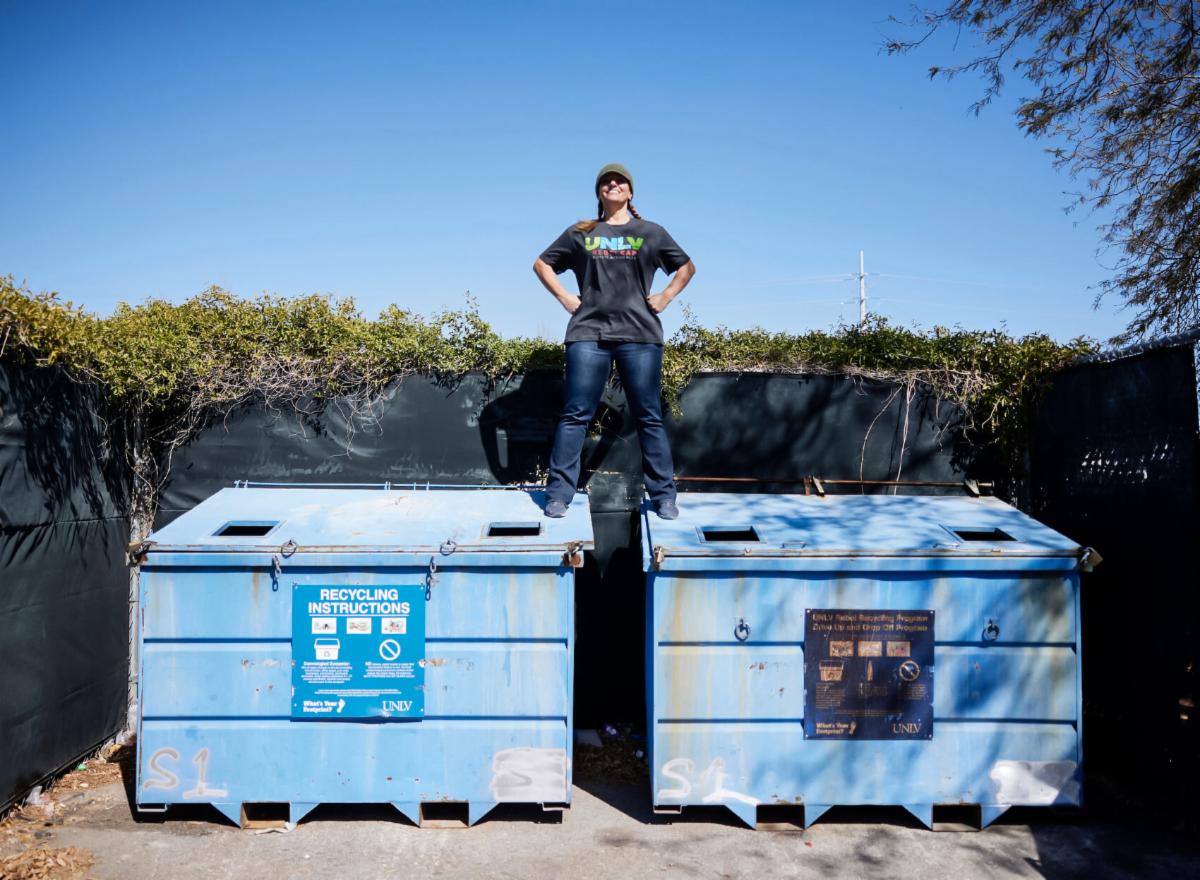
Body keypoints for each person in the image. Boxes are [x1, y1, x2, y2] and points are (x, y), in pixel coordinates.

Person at [533, 163, 696, 519]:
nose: (613, 184)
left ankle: (664, 496)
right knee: (576, 413)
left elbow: (686, 267)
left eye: (620, 181)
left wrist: (665, 297)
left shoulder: (651, 232)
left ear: (630, 192)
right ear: (599, 193)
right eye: (606, 181)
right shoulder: (581, 231)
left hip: (640, 336)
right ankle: (559, 494)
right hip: (588, 333)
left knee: (648, 415)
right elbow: (542, 264)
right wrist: (564, 298)